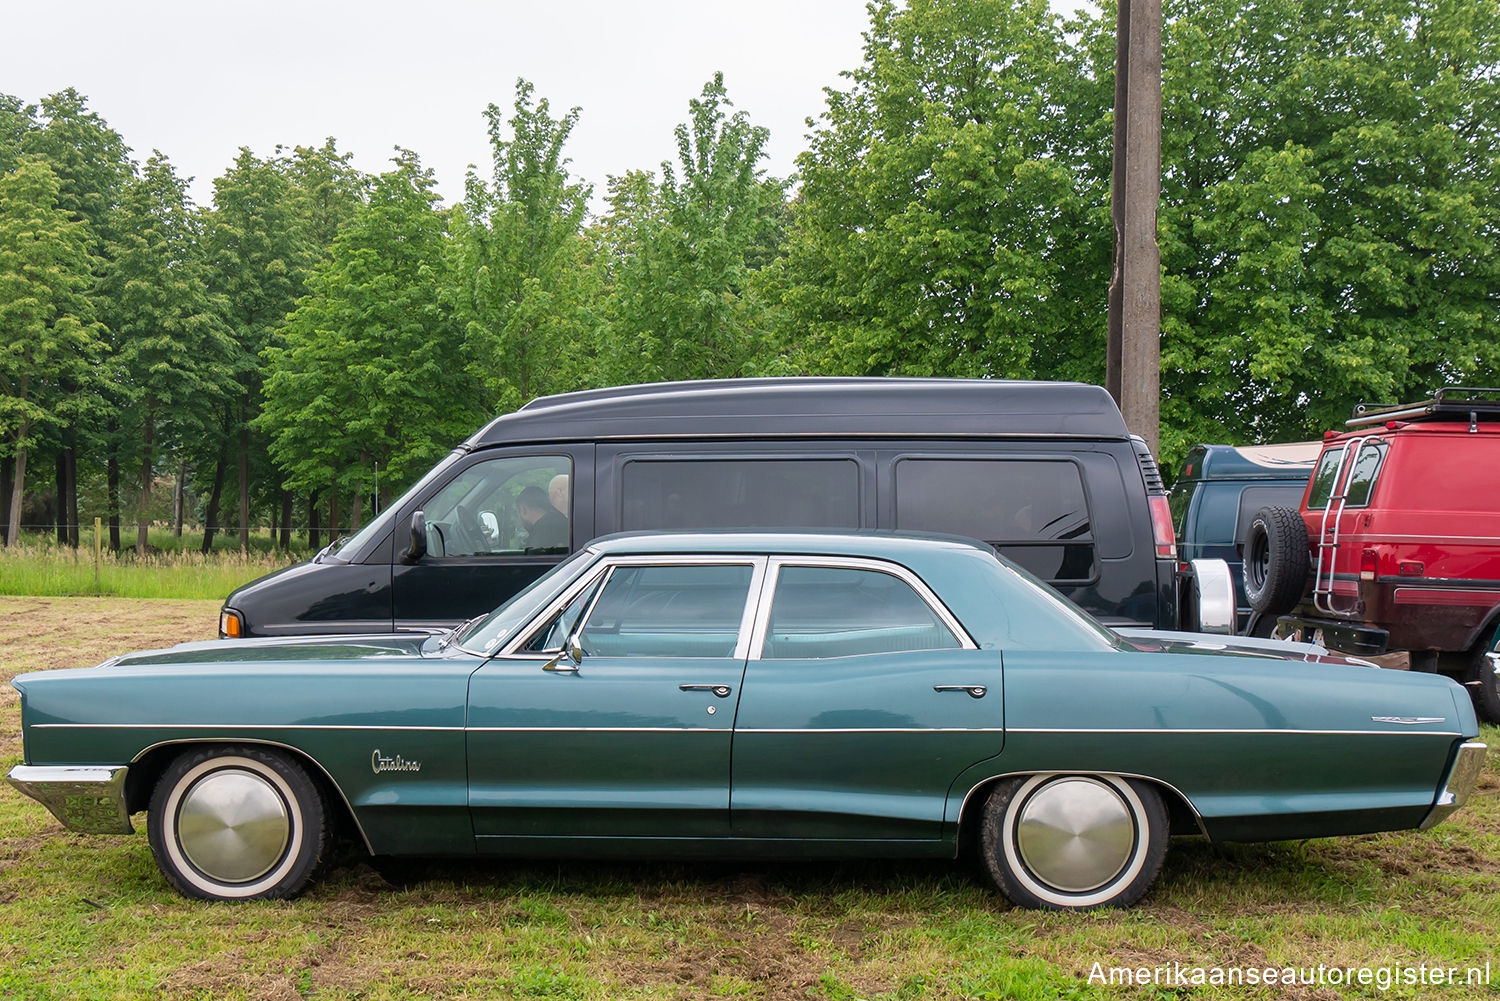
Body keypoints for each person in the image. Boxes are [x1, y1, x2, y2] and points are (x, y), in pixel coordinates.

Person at [517, 485, 568, 550]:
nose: (519, 519)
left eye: (518, 513)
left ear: (523, 509)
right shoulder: (560, 521)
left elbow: (532, 558)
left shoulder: (542, 533)